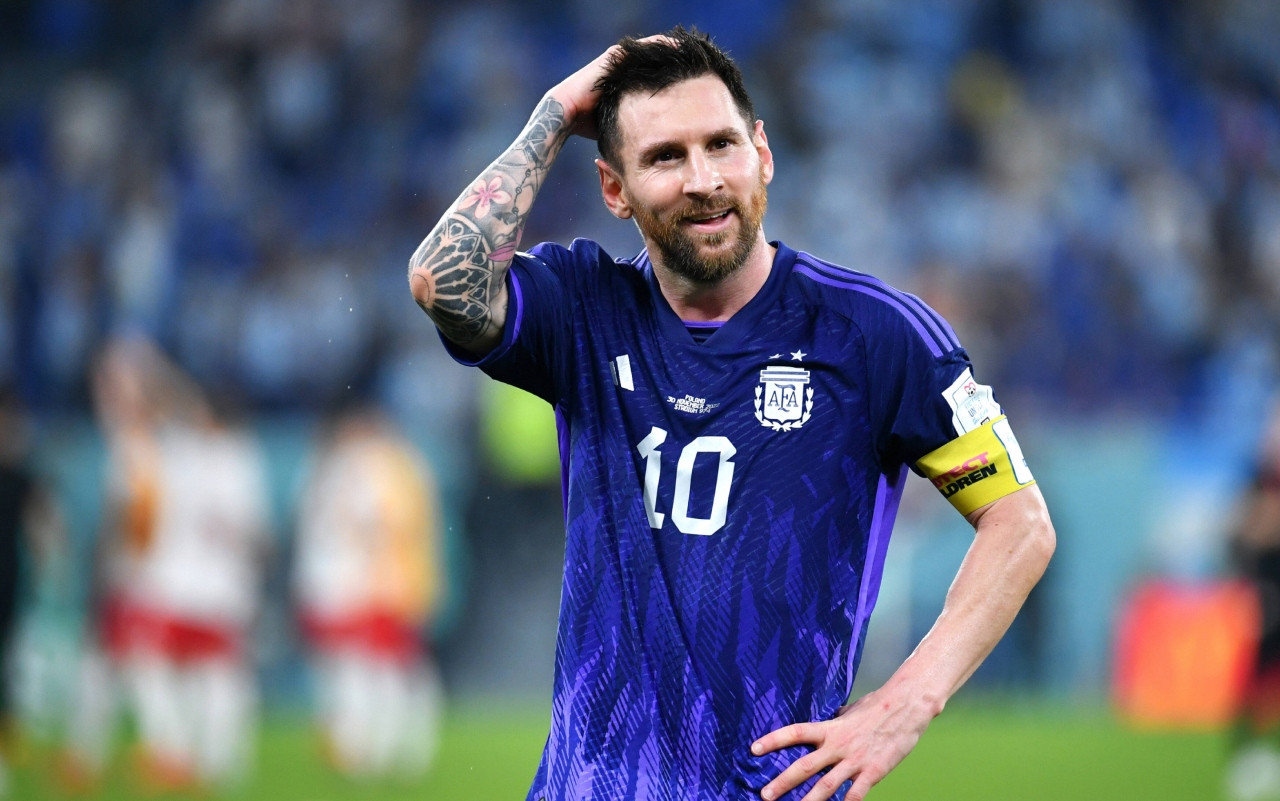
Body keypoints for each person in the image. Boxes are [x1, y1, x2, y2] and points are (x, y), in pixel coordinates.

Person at [408, 27, 1055, 801]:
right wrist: (552, 116)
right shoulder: (584, 311)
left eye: (721, 144)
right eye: (664, 157)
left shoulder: (876, 336)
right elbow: (441, 283)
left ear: (763, 154)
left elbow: (1019, 522)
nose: (703, 179)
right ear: (614, 189)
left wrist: (906, 704)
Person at [293, 404, 446, 779]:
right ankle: (368, 744)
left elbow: (396, 525)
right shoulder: (379, 465)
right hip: (373, 581)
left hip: (388, 581)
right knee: (375, 664)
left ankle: (393, 747)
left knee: (393, 665)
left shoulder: (391, 466)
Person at [1227, 400, 1280, 801]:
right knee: (1255, 676)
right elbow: (1242, 538)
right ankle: (1244, 753)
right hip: (1267, 596)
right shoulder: (1257, 488)